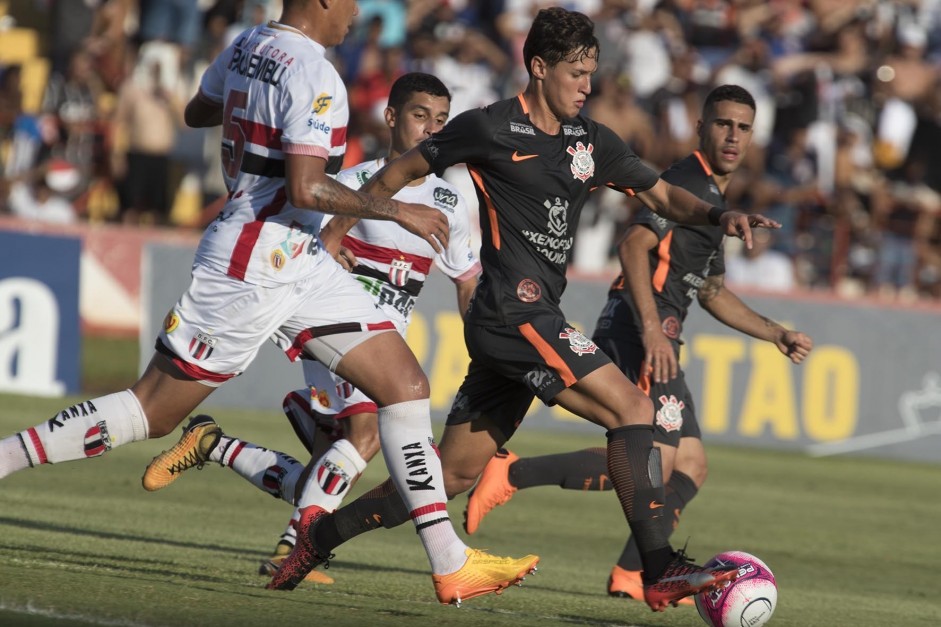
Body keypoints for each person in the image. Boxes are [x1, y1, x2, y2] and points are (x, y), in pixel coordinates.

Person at [0, 1, 535, 607]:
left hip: (299, 255)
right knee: (152, 412)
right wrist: (396, 208)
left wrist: (249, 115)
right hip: (253, 260)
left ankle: (450, 564)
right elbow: (307, 186)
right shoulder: (316, 74)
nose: (356, 16)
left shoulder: (249, 43)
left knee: (405, 385)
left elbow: (197, 109)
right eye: (351, 3)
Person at [269, 9, 781, 612]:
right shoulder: (488, 129)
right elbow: (397, 171)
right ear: (538, 69)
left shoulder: (590, 141)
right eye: (576, 73)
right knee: (634, 408)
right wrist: (341, 228)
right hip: (513, 315)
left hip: (524, 323)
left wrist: (721, 216)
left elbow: (664, 196)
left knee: (451, 475)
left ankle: (316, 538)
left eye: (591, 72)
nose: (587, 85)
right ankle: (659, 566)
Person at [460, 84, 814, 604]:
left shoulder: (712, 197)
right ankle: (514, 472)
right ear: (701, 127)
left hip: (663, 335)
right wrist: (651, 329)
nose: (733, 135)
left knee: (690, 464)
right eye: (723, 123)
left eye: (743, 127)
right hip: (641, 331)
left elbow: (711, 291)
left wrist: (775, 332)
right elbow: (633, 244)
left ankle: (633, 571)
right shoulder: (686, 179)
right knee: (653, 455)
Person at [141, 72, 483, 587]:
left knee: (329, 470)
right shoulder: (357, 184)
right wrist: (328, 250)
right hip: (336, 331)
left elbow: (467, 282)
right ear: (391, 117)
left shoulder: (453, 203)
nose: (430, 130)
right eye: (419, 116)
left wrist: (485, 343)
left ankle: (215, 445)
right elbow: (308, 242)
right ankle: (296, 550)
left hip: (388, 344)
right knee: (366, 437)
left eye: (440, 121)